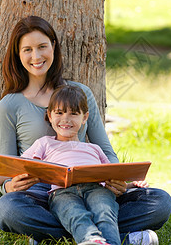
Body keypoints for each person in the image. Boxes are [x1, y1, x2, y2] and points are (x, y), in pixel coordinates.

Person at [0, 15, 171, 245]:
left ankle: (62, 237)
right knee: (8, 210)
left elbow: (104, 149)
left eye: (42, 47)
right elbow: (6, 165)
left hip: (93, 189)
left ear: (54, 46)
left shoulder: (79, 93)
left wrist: (119, 182)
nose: (36, 56)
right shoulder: (9, 105)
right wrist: (8, 187)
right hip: (44, 194)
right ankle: (116, 238)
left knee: (160, 201)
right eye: (27, 50)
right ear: (18, 55)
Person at [22, 84, 125, 245]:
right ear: (49, 115)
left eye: (74, 114)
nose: (66, 119)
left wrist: (132, 184)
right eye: (59, 113)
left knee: (104, 213)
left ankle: (110, 242)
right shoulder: (45, 143)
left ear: (85, 118)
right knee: (75, 214)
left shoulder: (93, 148)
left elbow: (112, 174)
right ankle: (91, 239)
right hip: (62, 192)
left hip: (96, 189)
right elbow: (22, 164)